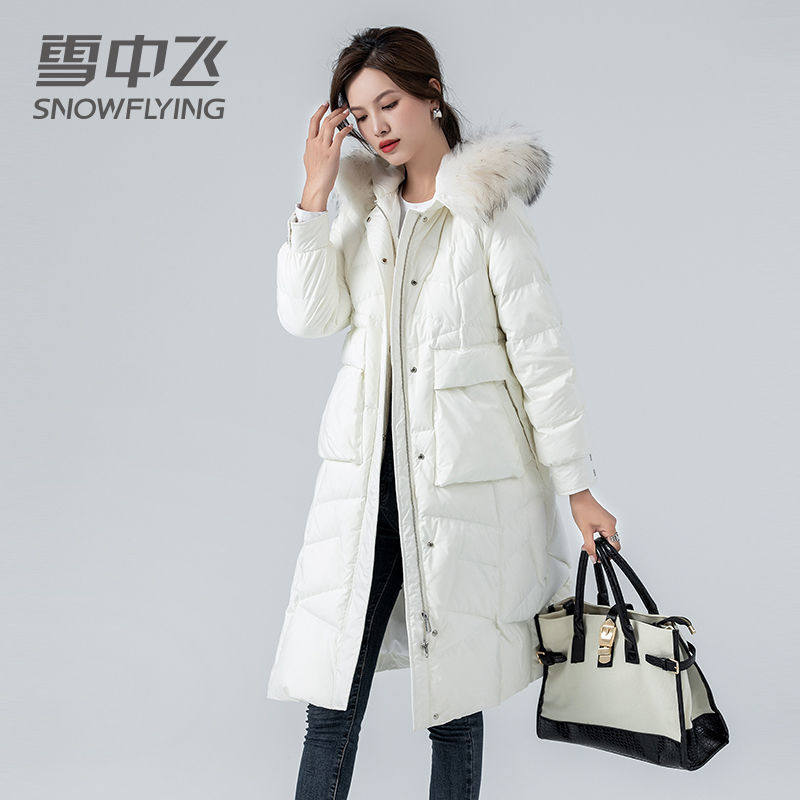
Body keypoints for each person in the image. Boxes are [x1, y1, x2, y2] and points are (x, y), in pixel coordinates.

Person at [268, 25, 620, 800]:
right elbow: (309, 317)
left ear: (432, 93)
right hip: (364, 493)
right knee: (330, 702)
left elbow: (541, 359)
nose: (378, 127)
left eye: (389, 103)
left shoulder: (486, 214)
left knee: (453, 706)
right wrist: (315, 192)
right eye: (361, 115)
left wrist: (578, 486)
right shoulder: (363, 208)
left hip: (459, 494)